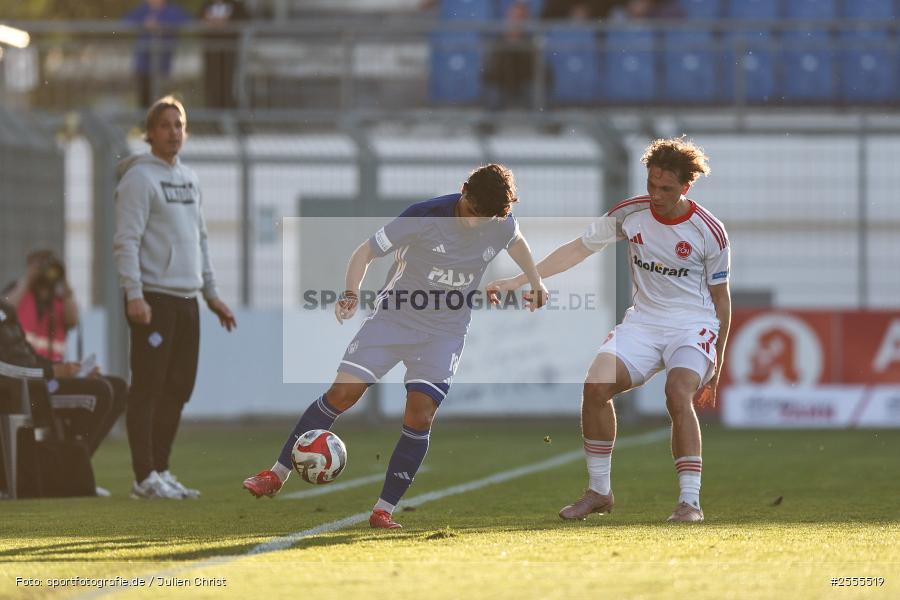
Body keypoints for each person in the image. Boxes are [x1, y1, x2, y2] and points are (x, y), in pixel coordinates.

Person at [242, 164, 548, 529]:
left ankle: (383, 509)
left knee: (420, 415)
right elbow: (364, 253)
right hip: (393, 321)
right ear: (463, 189)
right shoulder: (422, 217)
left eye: (484, 219)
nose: (474, 223)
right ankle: (276, 474)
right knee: (342, 393)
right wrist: (351, 292)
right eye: (470, 212)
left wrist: (535, 281)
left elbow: (518, 242)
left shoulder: (499, 221)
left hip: (444, 332)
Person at [488, 138, 730, 523]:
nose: (655, 194)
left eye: (666, 188)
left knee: (677, 392)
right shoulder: (629, 214)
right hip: (644, 323)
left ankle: (689, 503)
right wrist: (520, 280)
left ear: (687, 187)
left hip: (692, 325)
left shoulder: (709, 231)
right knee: (595, 387)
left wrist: (718, 355)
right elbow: (576, 249)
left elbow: (721, 297)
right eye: (651, 184)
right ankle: (599, 492)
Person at [114, 96, 236, 500]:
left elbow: (199, 239)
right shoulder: (139, 179)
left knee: (179, 388)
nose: (173, 132)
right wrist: (134, 293)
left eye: (179, 125)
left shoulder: (189, 179)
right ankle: (143, 476)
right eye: (165, 125)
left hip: (186, 300)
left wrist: (212, 294)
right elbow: (127, 240)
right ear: (149, 133)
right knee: (147, 387)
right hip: (153, 297)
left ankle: (162, 470)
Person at [0, 298, 126, 495]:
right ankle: (69, 475)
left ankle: (71, 475)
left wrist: (71, 370)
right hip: (20, 390)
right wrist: (50, 372)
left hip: (39, 381)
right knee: (100, 393)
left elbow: (29, 354)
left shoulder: (5, 307)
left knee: (118, 387)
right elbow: (5, 367)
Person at [124, 0, 192, 107]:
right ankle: (145, 122)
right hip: (143, 65)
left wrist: (163, 26)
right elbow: (125, 22)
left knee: (162, 101)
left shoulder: (172, 10)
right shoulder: (143, 9)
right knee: (144, 100)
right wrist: (143, 24)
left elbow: (187, 22)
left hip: (162, 64)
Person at [483, 1, 538, 110]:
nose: (516, 22)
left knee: (540, 77)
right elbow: (493, 66)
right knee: (490, 74)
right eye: (514, 17)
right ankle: (491, 114)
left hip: (525, 77)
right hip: (503, 78)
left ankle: (541, 114)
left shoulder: (532, 41)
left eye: (520, 17)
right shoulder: (499, 40)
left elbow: (536, 66)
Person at [199, 0, 248, 108]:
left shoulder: (236, 6)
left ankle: (228, 110)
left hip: (229, 51)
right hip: (211, 51)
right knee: (212, 81)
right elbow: (198, 19)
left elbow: (245, 19)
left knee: (228, 82)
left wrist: (227, 22)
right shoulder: (207, 5)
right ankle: (212, 112)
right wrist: (209, 22)